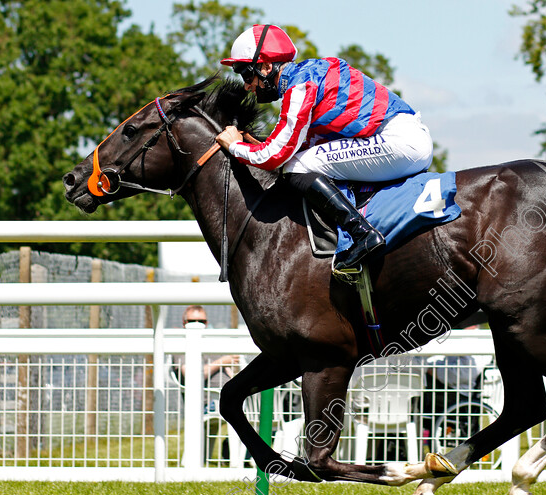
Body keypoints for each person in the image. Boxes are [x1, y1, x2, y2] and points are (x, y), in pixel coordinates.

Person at [215, 24, 433, 271]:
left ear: (266, 67)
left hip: (400, 142)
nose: (246, 86)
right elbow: (300, 144)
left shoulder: (300, 86)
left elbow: (276, 156)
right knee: (303, 159)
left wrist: (235, 147)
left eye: (246, 75)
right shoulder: (309, 75)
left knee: (296, 166)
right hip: (406, 138)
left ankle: (361, 234)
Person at [175, 305, 244, 462]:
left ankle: (244, 456)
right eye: (192, 321)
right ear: (184, 323)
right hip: (207, 400)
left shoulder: (212, 344)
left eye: (202, 321)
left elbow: (231, 373)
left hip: (229, 394)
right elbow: (191, 374)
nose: (198, 324)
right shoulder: (181, 346)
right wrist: (222, 361)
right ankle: (235, 458)